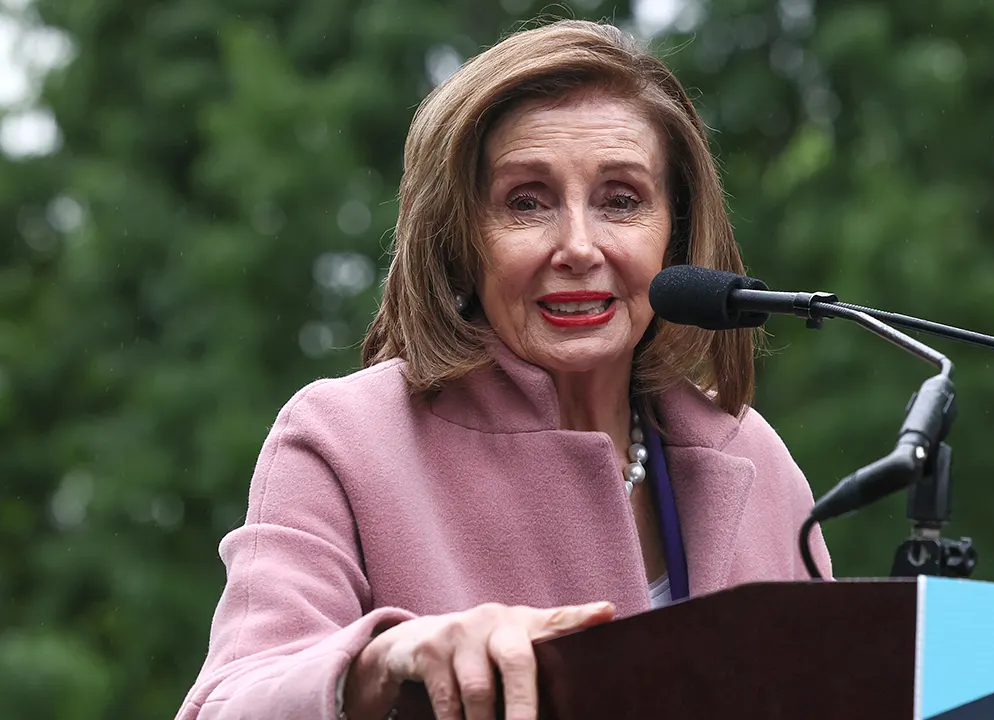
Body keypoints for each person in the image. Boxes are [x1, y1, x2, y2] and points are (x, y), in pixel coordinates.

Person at [177, 18, 832, 720]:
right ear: (460, 239)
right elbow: (226, 704)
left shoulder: (754, 458)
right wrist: (377, 667)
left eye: (621, 200)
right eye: (527, 202)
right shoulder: (343, 441)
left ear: (674, 234)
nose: (578, 247)